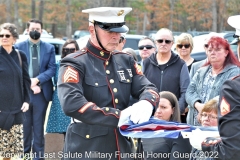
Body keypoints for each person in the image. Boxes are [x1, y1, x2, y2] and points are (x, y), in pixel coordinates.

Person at [57, 7, 159, 160]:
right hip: (87, 148)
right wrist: (119, 116)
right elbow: (71, 103)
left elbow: (148, 87)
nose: (116, 37)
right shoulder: (74, 62)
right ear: (92, 29)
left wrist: (147, 102)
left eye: (119, 32)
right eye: (110, 31)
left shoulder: (126, 60)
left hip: (121, 147)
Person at [14, 19, 56, 160]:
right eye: (33, 28)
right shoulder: (18, 47)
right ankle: (24, 155)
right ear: (27, 30)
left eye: (38, 29)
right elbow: (16, 69)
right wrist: (30, 84)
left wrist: (37, 80)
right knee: (25, 127)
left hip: (41, 93)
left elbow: (51, 69)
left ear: (42, 31)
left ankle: (38, 157)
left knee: (38, 128)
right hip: (23, 93)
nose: (35, 31)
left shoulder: (49, 48)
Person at [185, 36, 240, 126]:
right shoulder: (201, 71)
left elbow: (226, 97)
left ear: (226, 52)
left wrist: (206, 110)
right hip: (194, 125)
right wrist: (198, 106)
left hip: (218, 127)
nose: (213, 53)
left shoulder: (235, 72)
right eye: (210, 50)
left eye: (217, 50)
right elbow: (189, 92)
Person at [189, 74, 240, 160]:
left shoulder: (234, 86)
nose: (206, 119)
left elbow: (231, 150)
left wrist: (203, 143)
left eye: (212, 116)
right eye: (204, 115)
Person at [144, 28, 190, 120]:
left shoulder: (180, 64)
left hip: (172, 119)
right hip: (149, 115)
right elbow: (141, 89)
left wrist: (176, 111)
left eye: (167, 41)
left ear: (172, 43)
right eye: (160, 41)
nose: (163, 43)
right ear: (155, 43)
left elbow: (185, 91)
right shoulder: (146, 63)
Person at [0, 23, 31, 160]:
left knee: (13, 153)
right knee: (2, 152)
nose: (3, 38)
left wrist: (27, 100)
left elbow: (26, 79)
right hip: (1, 110)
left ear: (14, 38)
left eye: (7, 35)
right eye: (1, 35)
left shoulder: (20, 56)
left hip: (17, 108)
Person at [141, 91, 192, 160]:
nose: (158, 111)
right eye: (156, 107)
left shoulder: (181, 136)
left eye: (163, 107)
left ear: (173, 110)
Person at [46, 39, 79, 136]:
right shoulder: (58, 65)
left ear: (77, 50)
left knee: (75, 130)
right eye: (66, 49)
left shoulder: (82, 64)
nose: (68, 52)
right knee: (58, 133)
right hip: (59, 99)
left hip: (75, 98)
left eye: (72, 49)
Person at [175, 33, 197, 123]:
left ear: (191, 47)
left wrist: (188, 107)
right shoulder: (173, 64)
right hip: (174, 105)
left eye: (186, 45)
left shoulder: (197, 66)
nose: (183, 48)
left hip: (191, 108)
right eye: (180, 46)